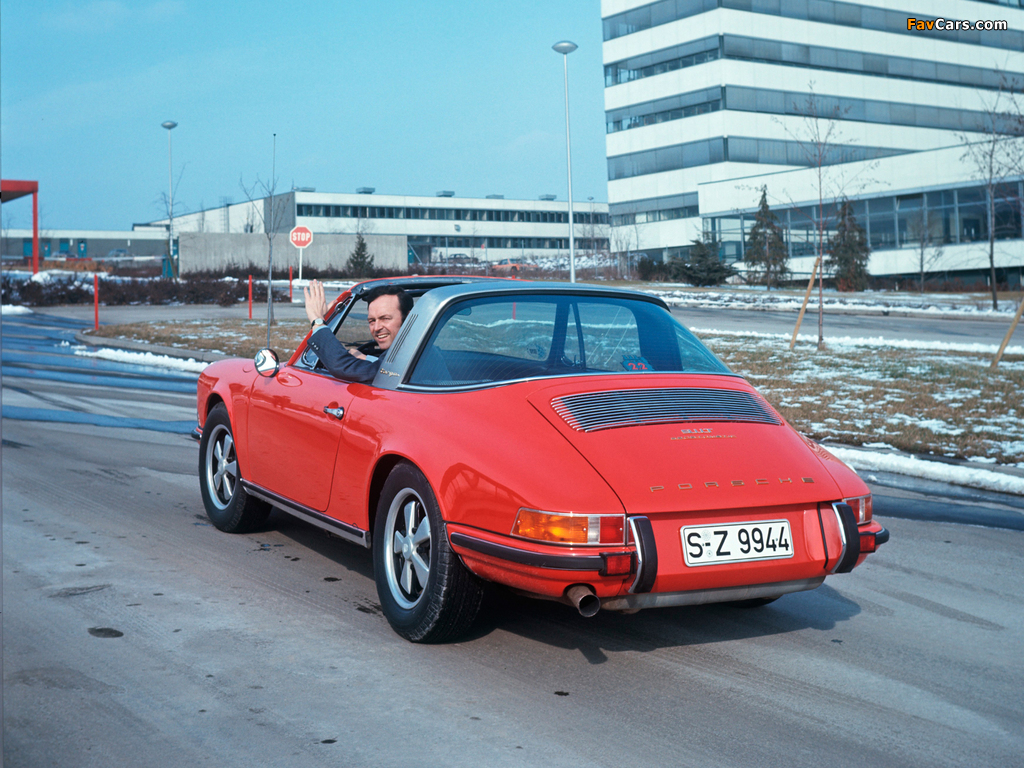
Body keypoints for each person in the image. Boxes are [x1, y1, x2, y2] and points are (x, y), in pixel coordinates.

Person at [303, 280, 413, 384]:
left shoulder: (408, 355)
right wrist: (367, 359)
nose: (376, 328)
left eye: (385, 318)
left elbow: (347, 369)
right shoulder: (416, 349)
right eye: (372, 321)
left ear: (408, 318)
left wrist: (317, 321)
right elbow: (380, 367)